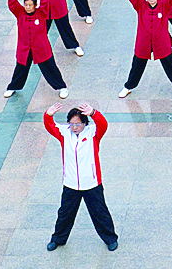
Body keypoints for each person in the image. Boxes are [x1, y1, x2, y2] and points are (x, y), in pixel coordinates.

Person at [43, 101, 117, 251]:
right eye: (71, 124)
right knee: (64, 214)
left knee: (100, 213)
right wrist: (48, 114)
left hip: (91, 183)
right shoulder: (64, 133)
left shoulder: (93, 132)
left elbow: (103, 124)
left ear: (85, 123)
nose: (74, 128)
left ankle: (110, 239)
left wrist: (93, 113)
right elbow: (50, 125)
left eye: (77, 124)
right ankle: (58, 239)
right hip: (70, 183)